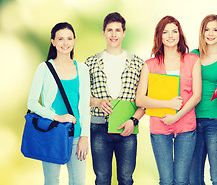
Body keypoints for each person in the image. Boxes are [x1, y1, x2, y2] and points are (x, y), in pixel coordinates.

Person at [136, 15, 202, 185]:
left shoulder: (192, 60)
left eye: (174, 31)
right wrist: (168, 104)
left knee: (181, 180)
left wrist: (176, 115)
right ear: (160, 35)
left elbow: (196, 96)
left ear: (180, 34)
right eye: (166, 32)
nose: (170, 35)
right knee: (166, 180)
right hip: (159, 126)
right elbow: (140, 100)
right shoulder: (149, 65)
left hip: (186, 125)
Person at [27, 22, 90, 185]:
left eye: (69, 38)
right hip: (53, 133)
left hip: (76, 135)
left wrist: (85, 136)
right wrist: (57, 117)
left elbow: (84, 105)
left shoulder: (82, 69)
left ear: (74, 40)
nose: (65, 43)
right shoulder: (44, 68)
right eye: (60, 39)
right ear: (53, 41)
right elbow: (32, 103)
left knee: (78, 181)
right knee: (52, 181)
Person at [85, 12, 144, 185]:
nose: (113, 34)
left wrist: (133, 121)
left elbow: (144, 101)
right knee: (102, 179)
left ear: (124, 32)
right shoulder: (90, 62)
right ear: (103, 32)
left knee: (126, 179)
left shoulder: (138, 63)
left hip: (127, 128)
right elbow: (80, 97)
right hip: (99, 128)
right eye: (109, 30)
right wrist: (97, 102)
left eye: (117, 30)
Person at [189, 14, 217, 185]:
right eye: (207, 29)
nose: (211, 33)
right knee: (194, 177)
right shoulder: (193, 55)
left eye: (215, 29)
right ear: (202, 32)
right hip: (192, 120)